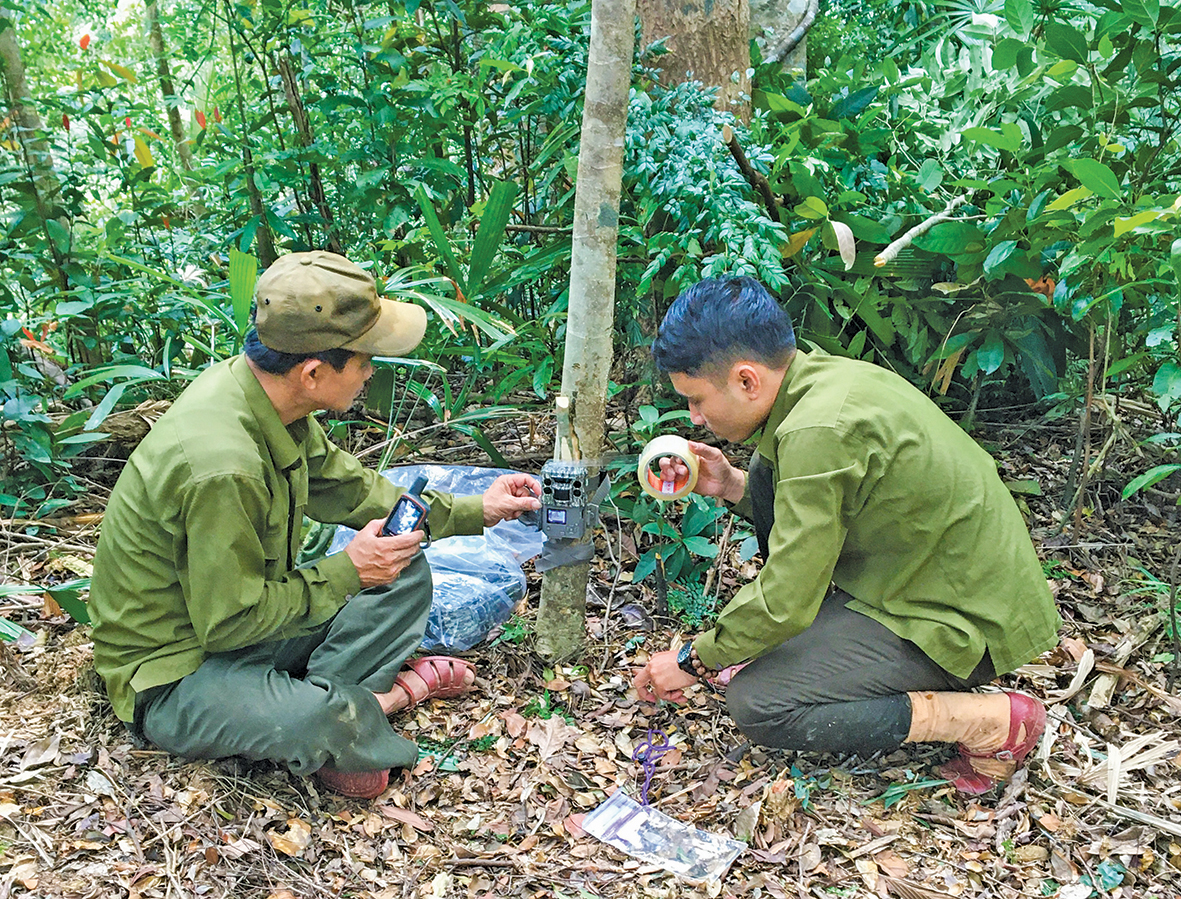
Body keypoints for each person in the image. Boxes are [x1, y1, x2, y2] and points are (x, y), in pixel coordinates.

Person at [89, 251, 541, 800]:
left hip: (240, 623)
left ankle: (331, 706)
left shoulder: (267, 399)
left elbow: (353, 490)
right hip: (176, 671)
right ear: (314, 372)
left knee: (404, 566)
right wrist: (348, 571)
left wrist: (477, 509)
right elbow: (228, 625)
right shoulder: (223, 466)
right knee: (314, 721)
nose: (372, 371)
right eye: (365, 359)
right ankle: (376, 705)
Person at [633, 276, 1061, 794]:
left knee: (758, 701)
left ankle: (990, 720)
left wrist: (693, 659)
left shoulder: (816, 431)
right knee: (757, 636)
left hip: (960, 620)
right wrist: (733, 486)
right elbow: (821, 511)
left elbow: (786, 601)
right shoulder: (821, 381)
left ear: (747, 380)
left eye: (697, 400)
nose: (696, 419)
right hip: (923, 580)